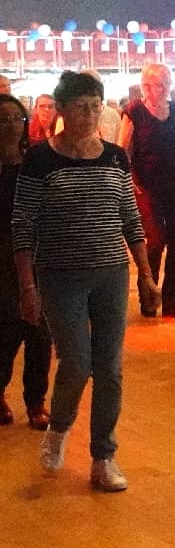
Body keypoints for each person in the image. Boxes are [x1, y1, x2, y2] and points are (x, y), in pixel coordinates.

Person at [12, 71, 155, 491]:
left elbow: (130, 216)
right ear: (62, 110)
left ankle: (103, 456)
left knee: (110, 369)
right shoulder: (41, 159)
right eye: (81, 107)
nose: (91, 115)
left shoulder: (114, 156)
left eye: (96, 106)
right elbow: (24, 224)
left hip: (111, 274)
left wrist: (145, 272)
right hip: (60, 276)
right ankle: (59, 429)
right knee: (76, 362)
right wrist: (27, 286)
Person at [119, 63, 175, 319]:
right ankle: (149, 296)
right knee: (154, 241)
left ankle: (172, 300)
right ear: (146, 86)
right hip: (146, 186)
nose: (163, 89)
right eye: (158, 84)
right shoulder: (134, 112)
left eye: (167, 83)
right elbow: (123, 149)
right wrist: (128, 180)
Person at [0, 94, 52, 431]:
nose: (9, 125)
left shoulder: (35, 159)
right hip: (1, 255)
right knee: (5, 327)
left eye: (15, 118)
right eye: (2, 118)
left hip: (35, 253)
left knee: (40, 330)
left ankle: (35, 400)